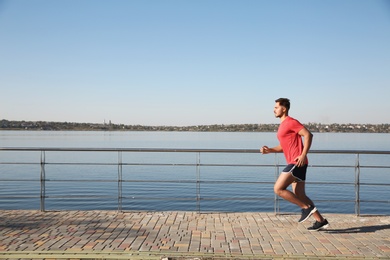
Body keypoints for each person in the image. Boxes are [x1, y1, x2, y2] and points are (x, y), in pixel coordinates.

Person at [260, 98, 329, 231]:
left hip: (296, 163)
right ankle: (320, 221)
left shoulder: (291, 122)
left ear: (284, 109)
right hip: (297, 163)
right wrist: (270, 150)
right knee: (300, 194)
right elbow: (284, 146)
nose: (274, 110)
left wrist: (303, 154)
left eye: (276, 107)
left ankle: (306, 208)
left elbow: (308, 135)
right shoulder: (282, 125)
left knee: (278, 189)